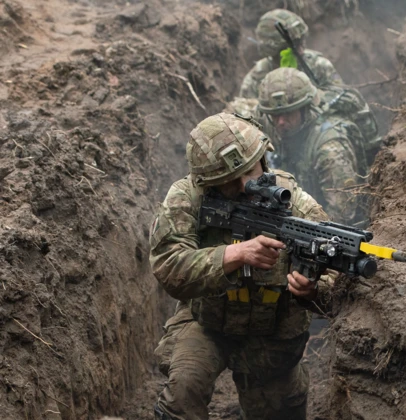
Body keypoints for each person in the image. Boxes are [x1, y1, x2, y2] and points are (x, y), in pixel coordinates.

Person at [149, 112, 333, 420]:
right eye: (229, 183)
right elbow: (168, 265)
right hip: (207, 321)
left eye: (249, 172)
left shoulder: (296, 205)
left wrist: (311, 290)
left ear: (263, 159)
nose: (245, 185)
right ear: (208, 183)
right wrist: (233, 255)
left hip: (271, 334)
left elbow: (335, 282)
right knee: (182, 394)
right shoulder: (188, 197)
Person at [257, 67, 369, 225]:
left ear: (304, 109)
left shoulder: (330, 148)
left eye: (288, 113)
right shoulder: (281, 129)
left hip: (327, 224)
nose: (281, 122)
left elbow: (342, 214)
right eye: (275, 115)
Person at [239, 9, 343, 99]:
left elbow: (343, 98)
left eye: (301, 42)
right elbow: (244, 114)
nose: (301, 51)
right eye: (293, 47)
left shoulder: (319, 66)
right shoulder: (257, 77)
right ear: (273, 50)